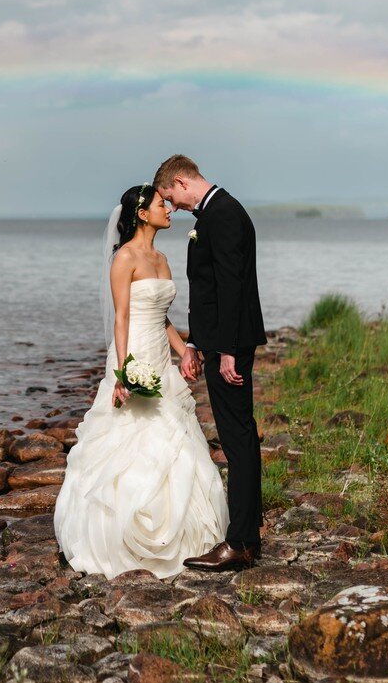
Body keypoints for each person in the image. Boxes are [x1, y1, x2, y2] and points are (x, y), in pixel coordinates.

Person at [53, 183, 227, 579]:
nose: (169, 208)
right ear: (142, 214)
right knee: (128, 439)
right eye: (161, 204)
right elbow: (122, 318)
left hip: (161, 357)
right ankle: (120, 537)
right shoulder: (124, 258)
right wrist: (123, 372)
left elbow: (160, 316)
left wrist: (184, 351)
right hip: (133, 356)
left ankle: (183, 533)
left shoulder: (163, 258)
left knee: (175, 437)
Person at [153, 154, 267, 572]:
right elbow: (210, 290)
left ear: (182, 182)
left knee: (237, 439)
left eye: (171, 197)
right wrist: (197, 342)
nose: (173, 207)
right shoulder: (214, 214)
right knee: (239, 436)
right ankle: (248, 530)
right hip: (219, 342)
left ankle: (239, 543)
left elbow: (233, 287)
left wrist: (229, 351)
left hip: (230, 346)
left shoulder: (222, 214)